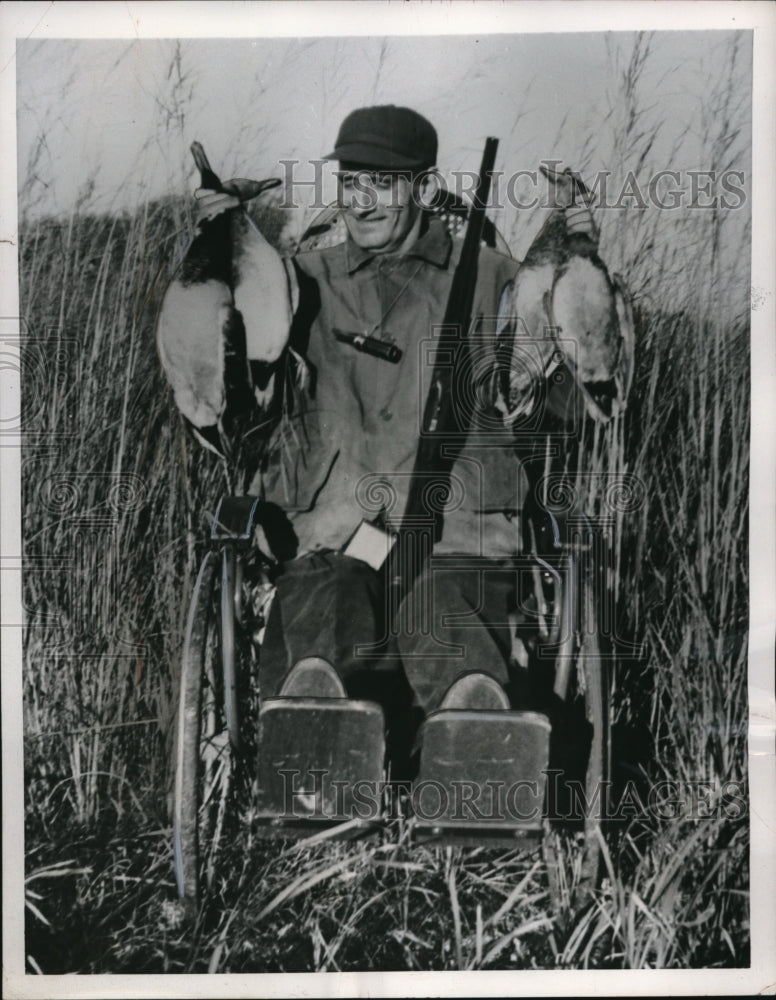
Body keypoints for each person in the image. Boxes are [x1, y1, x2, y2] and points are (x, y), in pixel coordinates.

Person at [190, 105, 600, 760]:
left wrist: (576, 260)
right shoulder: (301, 279)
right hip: (340, 524)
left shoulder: (500, 278)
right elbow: (231, 355)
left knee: (442, 612)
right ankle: (316, 753)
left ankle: (479, 754)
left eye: (382, 182)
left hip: (458, 528)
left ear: (424, 188)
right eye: (351, 181)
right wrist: (219, 236)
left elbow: (563, 406)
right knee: (327, 601)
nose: (361, 199)